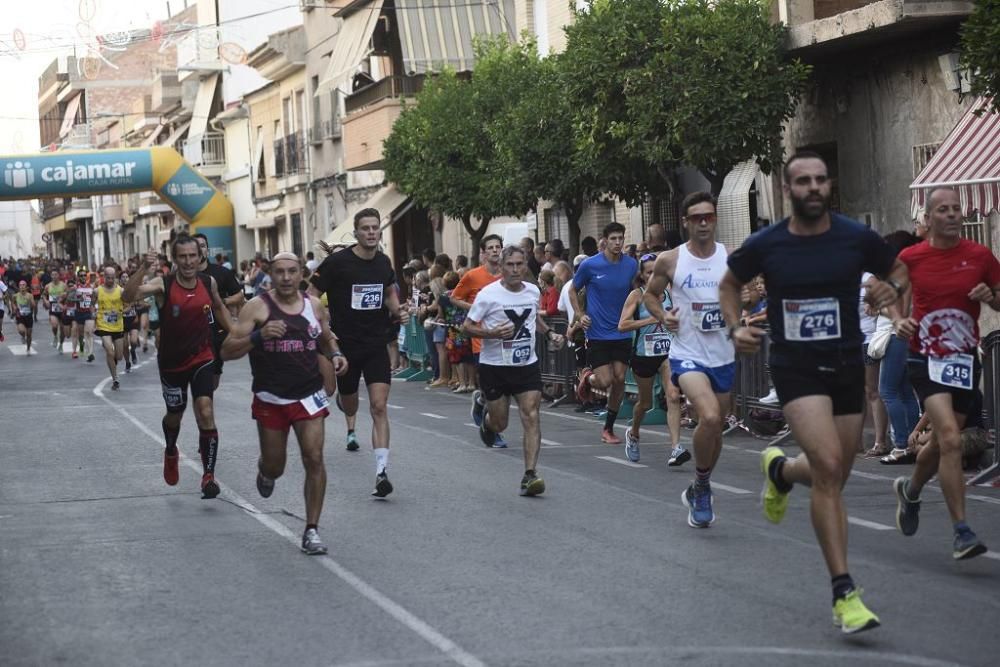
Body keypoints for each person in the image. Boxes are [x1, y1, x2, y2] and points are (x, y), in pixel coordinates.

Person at [720, 151, 905, 633]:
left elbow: (899, 270)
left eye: (821, 179)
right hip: (796, 368)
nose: (814, 187)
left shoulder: (854, 237)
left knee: (835, 473)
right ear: (788, 190)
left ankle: (780, 470)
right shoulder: (768, 243)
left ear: (829, 185)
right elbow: (729, 283)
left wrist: (890, 290)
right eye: (803, 181)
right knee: (827, 467)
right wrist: (736, 325)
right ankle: (844, 592)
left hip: (845, 363)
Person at [890, 186, 1000, 561]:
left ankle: (911, 490)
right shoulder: (911, 257)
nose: (953, 215)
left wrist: (991, 297)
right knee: (951, 439)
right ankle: (962, 531)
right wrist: (899, 320)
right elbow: (890, 295)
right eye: (944, 210)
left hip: (964, 360)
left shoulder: (981, 256)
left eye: (957, 209)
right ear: (930, 216)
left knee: (940, 444)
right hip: (925, 358)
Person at [222, 252, 347, 555]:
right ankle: (266, 471)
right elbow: (226, 350)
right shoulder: (257, 307)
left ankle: (312, 529)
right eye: (280, 272)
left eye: (292, 271)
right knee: (276, 466)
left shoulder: (314, 306)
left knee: (314, 458)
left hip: (308, 395)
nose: (287, 278)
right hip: (271, 397)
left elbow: (326, 337)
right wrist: (259, 336)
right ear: (270, 274)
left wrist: (335, 355)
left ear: (301, 272)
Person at [644, 193, 734, 527]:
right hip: (687, 354)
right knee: (709, 417)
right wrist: (663, 314)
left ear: (715, 218)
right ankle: (701, 484)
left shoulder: (730, 257)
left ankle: (701, 485)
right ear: (685, 221)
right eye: (696, 217)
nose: (703, 223)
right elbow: (650, 295)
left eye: (708, 216)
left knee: (716, 430)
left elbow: (749, 290)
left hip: (723, 356)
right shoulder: (670, 259)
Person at [123, 236, 233, 499]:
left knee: (205, 410)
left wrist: (240, 335)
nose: (188, 262)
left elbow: (219, 310)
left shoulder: (209, 282)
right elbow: (128, 296)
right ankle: (171, 449)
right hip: (172, 363)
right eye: (182, 256)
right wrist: (142, 270)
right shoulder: (164, 284)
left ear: (200, 257)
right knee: (175, 414)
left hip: (203, 356)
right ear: (175, 259)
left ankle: (208, 476)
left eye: (192, 256)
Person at [309, 208, 408, 496]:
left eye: (375, 227)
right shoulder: (338, 263)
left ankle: (381, 472)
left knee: (378, 406)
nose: (371, 232)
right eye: (365, 228)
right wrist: (323, 324)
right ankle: (345, 401)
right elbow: (312, 294)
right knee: (350, 404)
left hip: (376, 343)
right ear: (356, 233)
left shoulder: (383, 262)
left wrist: (397, 310)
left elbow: (389, 291)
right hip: (345, 346)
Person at [466, 246, 565, 494]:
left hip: (525, 365)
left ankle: (530, 474)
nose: (515, 269)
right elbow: (467, 326)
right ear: (501, 267)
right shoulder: (488, 295)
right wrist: (491, 333)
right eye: (509, 265)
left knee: (531, 415)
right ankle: (485, 414)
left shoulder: (533, 291)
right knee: (500, 425)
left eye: (520, 264)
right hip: (494, 366)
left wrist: (550, 332)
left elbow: (533, 318)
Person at [571, 222, 638, 444]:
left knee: (619, 379)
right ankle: (587, 378)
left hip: (621, 331)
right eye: (613, 239)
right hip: (598, 333)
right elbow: (573, 289)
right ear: (605, 241)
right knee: (605, 380)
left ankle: (608, 428)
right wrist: (580, 315)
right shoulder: (590, 265)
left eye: (621, 238)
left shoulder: (630, 265)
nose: (618, 243)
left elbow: (636, 290)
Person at [618, 253, 685, 464]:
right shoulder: (636, 296)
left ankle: (676, 448)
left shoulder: (671, 293)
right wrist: (650, 318)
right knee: (645, 403)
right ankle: (634, 433)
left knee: (673, 396)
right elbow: (622, 325)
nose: (654, 275)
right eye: (649, 272)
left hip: (667, 353)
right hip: (642, 355)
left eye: (658, 271)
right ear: (643, 275)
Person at [450, 235, 504, 390]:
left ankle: (484, 402)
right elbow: (454, 298)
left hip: (505, 337)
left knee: (501, 385)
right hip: (481, 338)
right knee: (488, 383)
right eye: (490, 248)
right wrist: (474, 308)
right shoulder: (472, 275)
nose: (495, 250)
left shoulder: (507, 274)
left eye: (497, 247)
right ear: (484, 253)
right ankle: (484, 403)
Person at [194, 233, 246, 390]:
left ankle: (205, 397)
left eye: (202, 246)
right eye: (195, 246)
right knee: (200, 379)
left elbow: (239, 295)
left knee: (213, 378)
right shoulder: (184, 276)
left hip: (217, 331)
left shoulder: (221, 272)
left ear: (207, 250)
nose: (199, 249)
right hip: (194, 333)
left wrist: (222, 302)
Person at [94, 267, 126, 391]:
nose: (111, 280)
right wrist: (91, 313)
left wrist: (123, 311)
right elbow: (88, 304)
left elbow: (129, 305)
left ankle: (112, 363)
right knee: (109, 351)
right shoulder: (97, 291)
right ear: (104, 277)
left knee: (118, 356)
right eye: (108, 278)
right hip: (103, 325)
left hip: (117, 326)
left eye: (113, 278)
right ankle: (115, 379)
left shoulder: (121, 291)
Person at [74, 269, 96, 362]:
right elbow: (69, 299)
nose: (83, 277)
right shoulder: (75, 287)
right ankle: (82, 345)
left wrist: (94, 310)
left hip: (88, 312)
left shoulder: (91, 287)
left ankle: (90, 353)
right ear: (78, 277)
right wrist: (78, 299)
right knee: (81, 334)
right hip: (79, 312)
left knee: (89, 332)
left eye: (84, 275)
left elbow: (94, 299)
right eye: (81, 275)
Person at [43, 272, 68, 351]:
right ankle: (55, 336)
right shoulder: (48, 286)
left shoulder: (63, 285)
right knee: (54, 326)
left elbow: (68, 295)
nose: (54, 276)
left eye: (56, 274)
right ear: (51, 276)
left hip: (62, 309)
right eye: (53, 275)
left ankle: (61, 344)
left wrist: (65, 297)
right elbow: (43, 295)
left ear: (59, 275)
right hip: (53, 309)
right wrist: (46, 301)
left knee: (62, 330)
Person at [13, 280, 35, 353]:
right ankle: (22, 336)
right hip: (20, 316)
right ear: (19, 287)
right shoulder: (16, 295)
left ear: (26, 287)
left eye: (23, 285)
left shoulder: (30, 295)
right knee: (21, 330)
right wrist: (14, 308)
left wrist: (30, 302)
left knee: (29, 334)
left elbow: (33, 305)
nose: (22, 286)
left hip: (28, 316)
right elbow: (13, 303)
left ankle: (28, 348)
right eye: (20, 285)